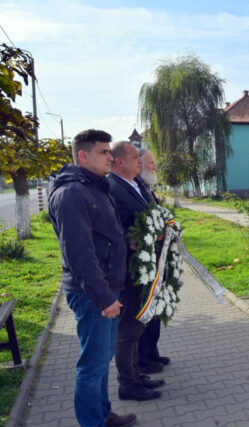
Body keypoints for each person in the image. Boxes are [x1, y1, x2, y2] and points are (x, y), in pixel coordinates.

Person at [48, 130, 137, 427]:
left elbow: (102, 237)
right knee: (92, 365)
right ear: (83, 156)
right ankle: (93, 422)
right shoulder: (72, 193)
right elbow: (79, 253)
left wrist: (127, 244)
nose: (110, 157)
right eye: (103, 152)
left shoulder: (95, 187)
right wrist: (104, 298)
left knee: (101, 360)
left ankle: (102, 415)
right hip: (93, 294)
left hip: (106, 288)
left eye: (109, 151)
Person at [107, 141, 164, 401]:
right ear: (120, 162)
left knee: (137, 325)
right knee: (128, 330)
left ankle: (136, 374)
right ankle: (127, 384)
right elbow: (116, 227)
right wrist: (139, 238)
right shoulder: (113, 187)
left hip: (143, 264)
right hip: (130, 268)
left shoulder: (132, 184)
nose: (139, 162)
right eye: (134, 157)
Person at [136, 149, 171, 374]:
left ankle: (152, 353)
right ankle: (143, 358)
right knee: (145, 311)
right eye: (151, 163)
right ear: (137, 164)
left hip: (156, 259)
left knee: (154, 310)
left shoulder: (146, 188)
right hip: (143, 263)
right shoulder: (133, 188)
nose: (154, 167)